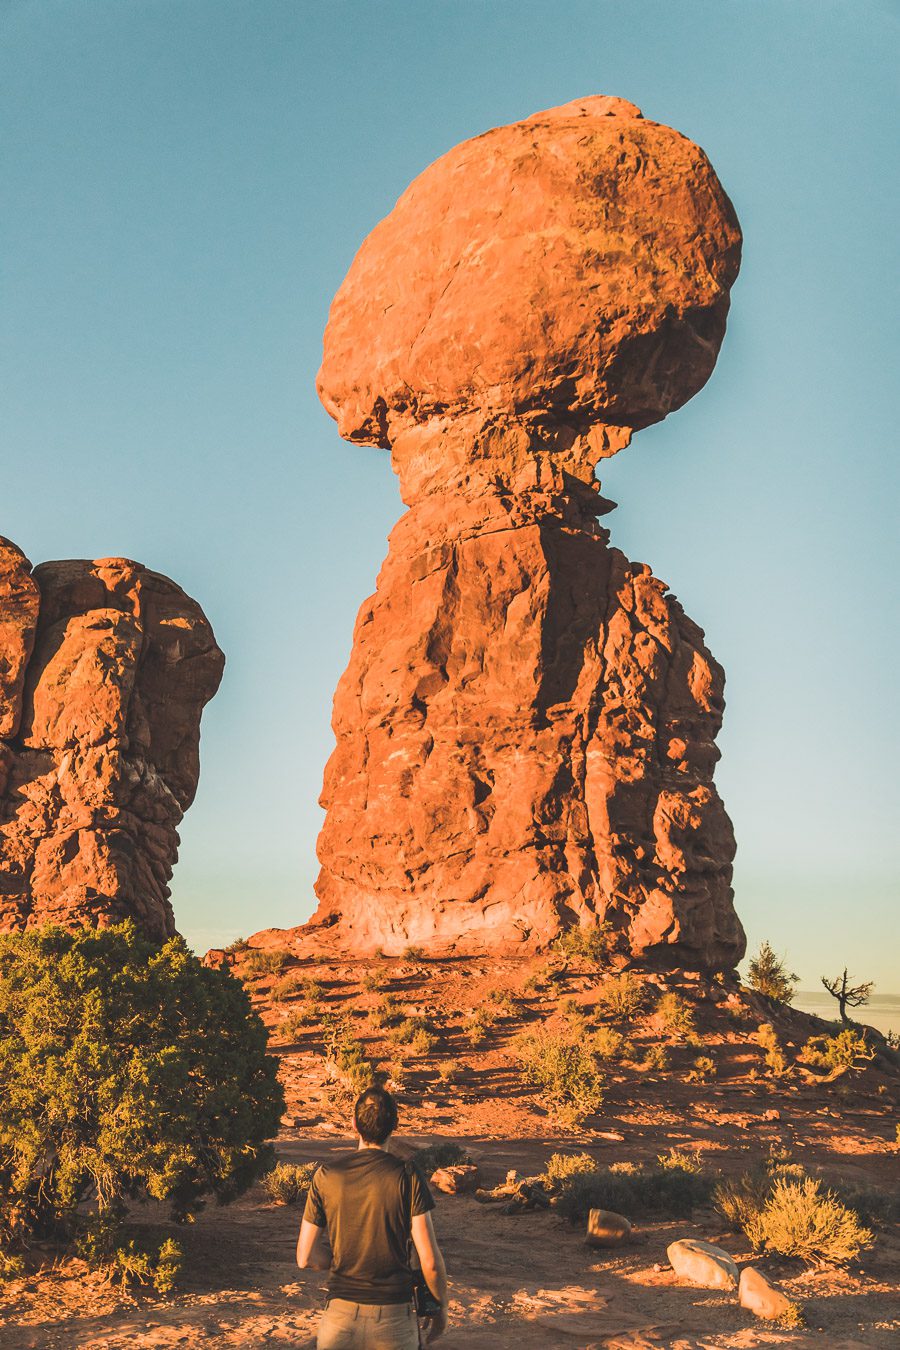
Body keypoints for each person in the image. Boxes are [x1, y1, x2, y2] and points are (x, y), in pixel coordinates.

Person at [297, 1085, 449, 1349]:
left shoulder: (326, 1176)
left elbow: (305, 1256)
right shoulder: (408, 1176)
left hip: (339, 1318)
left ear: (354, 1124)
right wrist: (440, 1309)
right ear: (394, 1125)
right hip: (393, 1319)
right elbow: (430, 1261)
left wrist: (342, 1259)